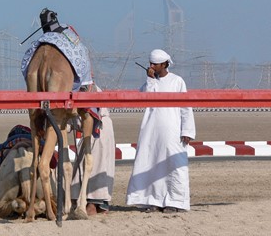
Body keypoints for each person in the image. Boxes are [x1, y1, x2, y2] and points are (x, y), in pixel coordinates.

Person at [126, 49, 196, 213]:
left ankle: (175, 202)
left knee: (174, 165)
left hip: (172, 131)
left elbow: (186, 107)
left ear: (164, 64)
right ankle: (152, 201)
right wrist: (150, 80)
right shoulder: (149, 83)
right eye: (150, 64)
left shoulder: (177, 81)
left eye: (155, 64)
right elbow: (145, 99)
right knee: (151, 164)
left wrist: (187, 130)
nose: (151, 66)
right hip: (151, 131)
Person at [70, 84, 115, 215]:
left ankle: (94, 203)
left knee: (98, 165)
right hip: (89, 133)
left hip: (98, 129)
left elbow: (88, 114)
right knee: (87, 163)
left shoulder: (88, 88)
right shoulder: (74, 88)